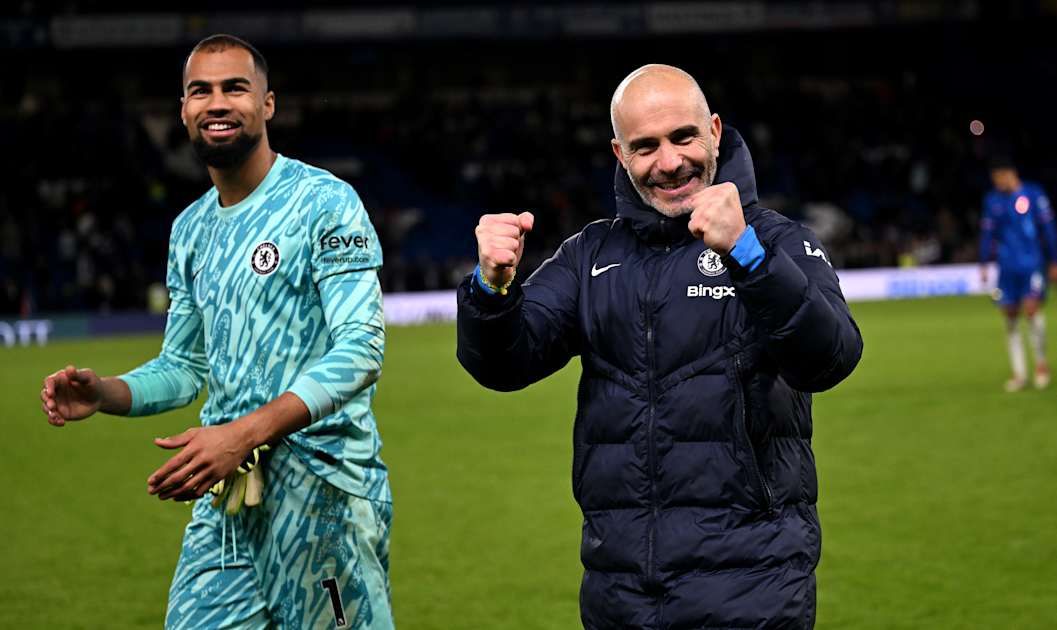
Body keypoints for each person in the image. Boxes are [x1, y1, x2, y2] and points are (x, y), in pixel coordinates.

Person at [457, 64, 862, 629]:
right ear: (620, 155)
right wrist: (491, 289)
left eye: (683, 137)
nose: (669, 163)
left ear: (715, 132)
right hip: (620, 595)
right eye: (644, 146)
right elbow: (503, 364)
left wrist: (745, 253)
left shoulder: (777, 241)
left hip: (753, 591)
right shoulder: (590, 256)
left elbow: (831, 357)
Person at [38, 35, 392, 629]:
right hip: (227, 499)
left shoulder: (324, 202)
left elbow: (361, 349)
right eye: (200, 90)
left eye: (235, 88)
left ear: (268, 104)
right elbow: (184, 367)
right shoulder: (190, 230)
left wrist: (241, 436)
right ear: (183, 110)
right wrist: (106, 393)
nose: (217, 102)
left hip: (325, 492)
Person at [979, 157, 1057, 391]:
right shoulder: (993, 201)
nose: (996, 183)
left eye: (998, 177)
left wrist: (1054, 260)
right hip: (1007, 267)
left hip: (1032, 264)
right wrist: (984, 262)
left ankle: (1041, 365)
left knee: (1032, 310)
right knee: (1010, 315)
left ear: (1009, 173)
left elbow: (1048, 229)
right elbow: (987, 234)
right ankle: (1020, 373)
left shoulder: (1034, 194)